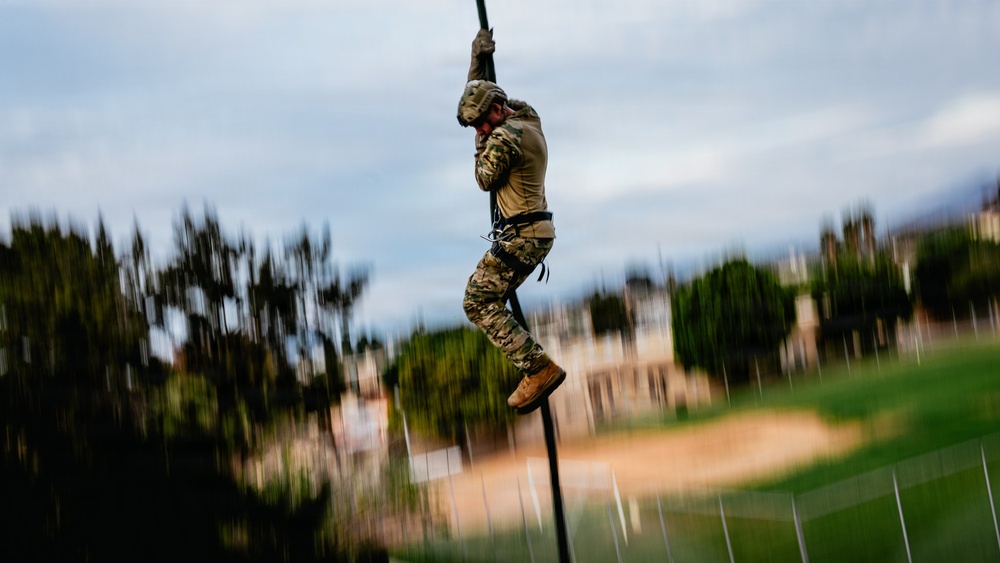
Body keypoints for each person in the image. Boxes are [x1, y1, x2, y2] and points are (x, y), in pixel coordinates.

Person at [457, 29, 565, 415]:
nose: (480, 133)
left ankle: (538, 368)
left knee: (477, 300)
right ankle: (535, 364)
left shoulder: (503, 140)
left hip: (521, 237)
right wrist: (478, 62)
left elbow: (484, 179)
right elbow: (488, 96)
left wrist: (482, 143)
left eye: (481, 126)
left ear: (498, 114)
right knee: (489, 296)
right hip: (537, 232)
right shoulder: (528, 118)